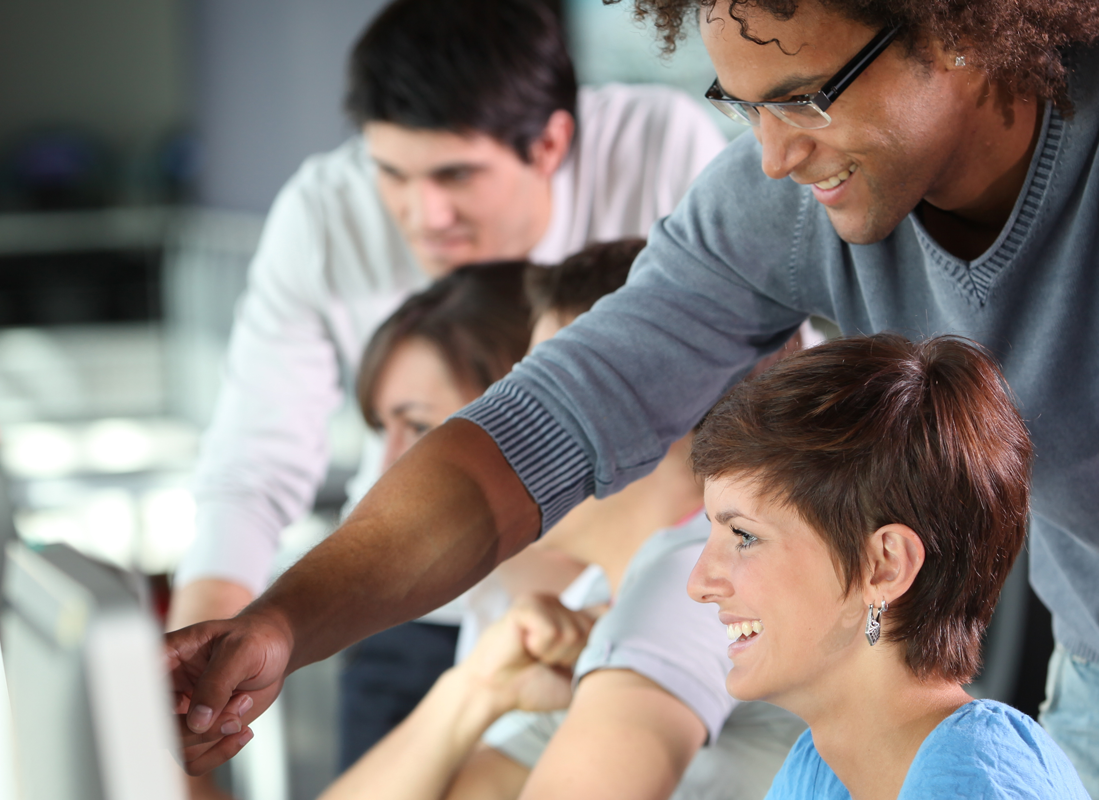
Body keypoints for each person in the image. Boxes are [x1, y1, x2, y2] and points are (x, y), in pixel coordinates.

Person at [168, 0, 1099, 796]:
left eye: (808, 97)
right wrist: (280, 620)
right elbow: (540, 427)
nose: (772, 154)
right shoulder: (797, 195)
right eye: (741, 100)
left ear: (961, 22)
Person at [169, 0, 726, 770]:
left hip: (617, 593)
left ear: (552, 144)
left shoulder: (662, 150)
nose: (424, 214)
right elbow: (253, 465)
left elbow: (751, 376)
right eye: (392, 175)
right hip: (403, 588)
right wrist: (197, 692)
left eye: (456, 175)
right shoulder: (325, 210)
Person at [321, 239, 805, 800]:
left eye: (548, 393)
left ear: (663, 406)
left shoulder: (693, 580)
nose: (516, 424)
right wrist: (475, 690)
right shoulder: (609, 591)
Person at [686, 332, 1085, 798]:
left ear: (885, 567)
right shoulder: (822, 765)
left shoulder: (972, 786)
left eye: (744, 536)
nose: (699, 583)